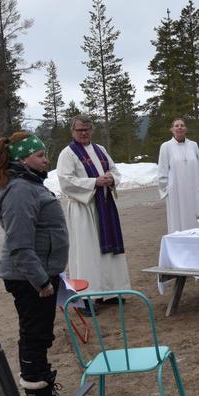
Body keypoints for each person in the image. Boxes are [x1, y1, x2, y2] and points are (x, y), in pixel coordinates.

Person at [0, 131, 68, 396]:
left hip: (38, 273)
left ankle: (41, 393)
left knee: (39, 333)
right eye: (41, 155)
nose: (46, 160)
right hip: (29, 277)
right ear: (22, 158)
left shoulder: (29, 184)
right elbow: (19, 243)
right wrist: (41, 280)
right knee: (34, 335)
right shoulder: (19, 190)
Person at [56, 116, 130, 291]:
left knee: (109, 251)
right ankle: (88, 295)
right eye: (80, 130)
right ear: (72, 131)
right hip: (84, 208)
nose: (84, 133)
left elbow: (113, 169)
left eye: (87, 129)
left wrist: (111, 178)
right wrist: (93, 182)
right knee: (87, 252)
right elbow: (65, 181)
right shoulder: (68, 153)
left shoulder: (100, 149)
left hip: (105, 205)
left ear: (92, 130)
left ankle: (112, 291)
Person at [157, 118, 199, 234]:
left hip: (195, 190)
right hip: (177, 193)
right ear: (172, 130)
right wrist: (167, 189)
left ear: (186, 129)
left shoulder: (193, 145)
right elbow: (162, 171)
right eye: (176, 126)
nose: (179, 127)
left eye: (182, 125)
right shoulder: (166, 147)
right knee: (180, 221)